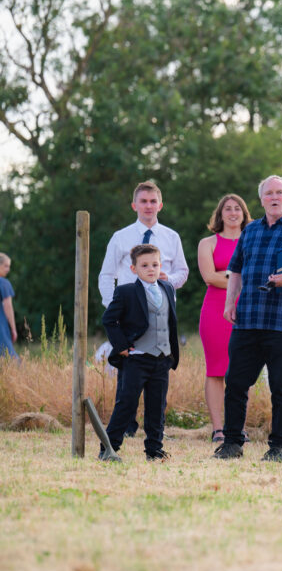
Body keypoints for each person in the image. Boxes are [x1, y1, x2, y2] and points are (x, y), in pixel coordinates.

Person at [215, 176, 282, 463]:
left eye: (280, 193)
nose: (274, 197)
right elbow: (235, 270)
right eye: (269, 193)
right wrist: (230, 302)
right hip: (248, 318)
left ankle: (279, 448)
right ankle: (232, 443)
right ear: (261, 199)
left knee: (281, 388)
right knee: (236, 383)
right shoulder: (249, 231)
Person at [98, 180, 189, 437]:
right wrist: (113, 307)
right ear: (134, 205)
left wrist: (167, 281)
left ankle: (155, 432)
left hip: (160, 314)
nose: (148, 206)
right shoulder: (121, 237)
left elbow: (183, 271)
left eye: (152, 201)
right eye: (143, 201)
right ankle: (125, 427)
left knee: (159, 374)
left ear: (160, 205)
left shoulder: (172, 237)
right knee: (128, 372)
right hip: (129, 314)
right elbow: (106, 275)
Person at [99, 244, 180, 461]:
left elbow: (168, 321)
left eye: (155, 264)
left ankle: (154, 450)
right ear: (134, 269)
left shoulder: (167, 288)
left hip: (162, 358)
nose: (151, 269)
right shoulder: (126, 292)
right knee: (126, 404)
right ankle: (109, 447)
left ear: (160, 265)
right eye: (144, 265)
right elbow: (109, 319)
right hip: (136, 359)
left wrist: (171, 351)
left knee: (157, 406)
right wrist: (122, 346)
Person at [197, 194, 251, 443]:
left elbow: (259, 274)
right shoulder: (207, 243)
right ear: (219, 215)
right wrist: (240, 277)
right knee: (216, 370)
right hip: (215, 311)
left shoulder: (252, 239)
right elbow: (210, 277)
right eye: (227, 209)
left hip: (248, 310)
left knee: (242, 370)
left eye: (237, 208)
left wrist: (227, 274)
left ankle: (236, 427)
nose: (232, 213)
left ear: (243, 213)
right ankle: (218, 429)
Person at [0, 253, 17, 360]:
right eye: (6, 266)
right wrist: (13, 329)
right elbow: (8, 306)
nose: (8, 269)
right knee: (12, 360)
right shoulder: (4, 284)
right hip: (1, 326)